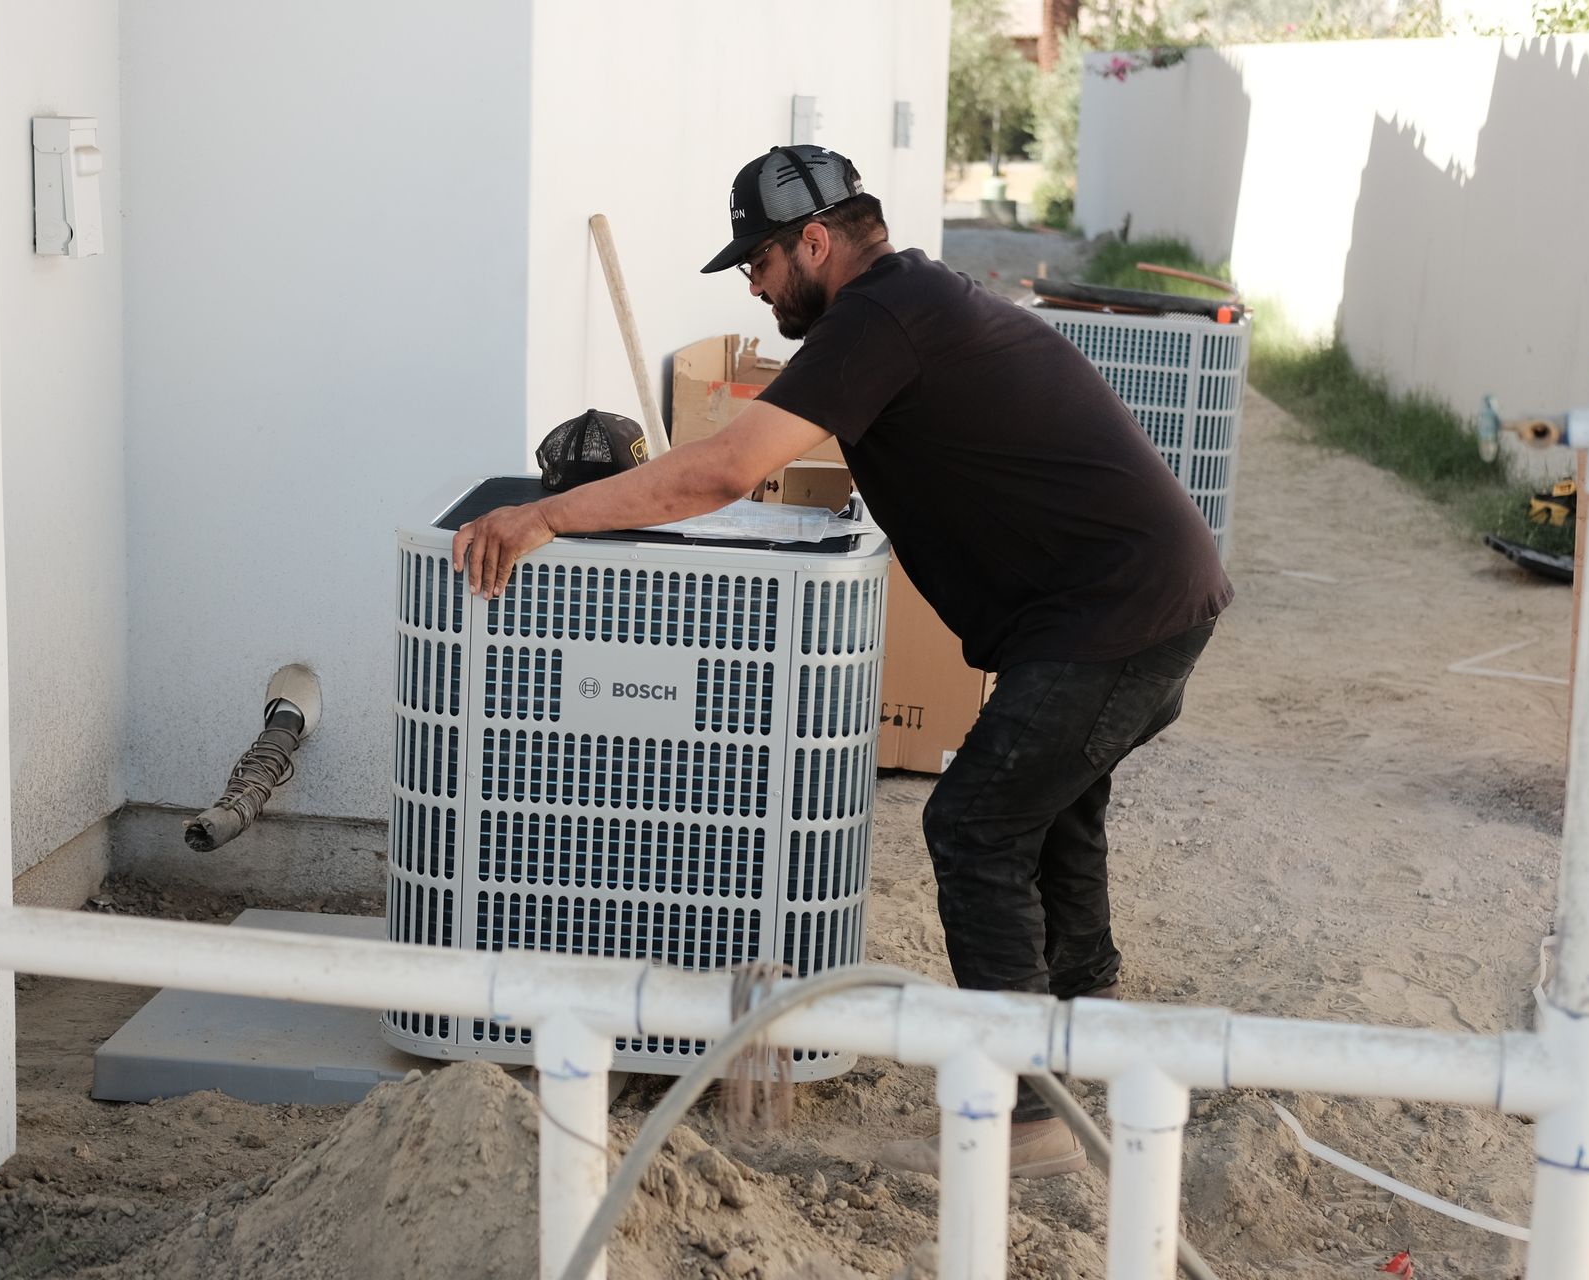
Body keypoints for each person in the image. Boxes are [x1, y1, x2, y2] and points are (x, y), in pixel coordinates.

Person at [453, 145, 1232, 1179]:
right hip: (1137, 597)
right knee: (1046, 816)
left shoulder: (880, 318)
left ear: (816, 240)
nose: (755, 284)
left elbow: (727, 470)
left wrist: (548, 512)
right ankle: (1094, 1037)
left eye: (761, 262)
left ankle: (1030, 1114)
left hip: (1114, 610)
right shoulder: (907, 306)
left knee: (975, 821)